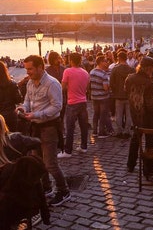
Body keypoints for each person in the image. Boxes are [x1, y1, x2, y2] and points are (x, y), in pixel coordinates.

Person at [18, 55, 70, 207]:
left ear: (40, 67)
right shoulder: (30, 83)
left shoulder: (52, 84)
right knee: (37, 161)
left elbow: (57, 106)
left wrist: (36, 114)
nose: (28, 72)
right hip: (35, 127)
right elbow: (28, 100)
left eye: (30, 69)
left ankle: (63, 190)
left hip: (49, 128)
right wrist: (23, 108)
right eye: (26, 69)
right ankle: (46, 188)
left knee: (50, 164)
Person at [125, 56, 153, 176]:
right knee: (151, 143)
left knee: (135, 140)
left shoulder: (129, 78)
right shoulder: (149, 84)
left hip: (136, 115)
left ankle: (130, 165)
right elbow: (151, 105)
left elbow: (127, 93)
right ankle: (148, 168)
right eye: (152, 69)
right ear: (147, 69)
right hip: (149, 119)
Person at [58, 52, 90, 158]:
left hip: (72, 103)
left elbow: (62, 87)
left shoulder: (67, 71)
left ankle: (68, 151)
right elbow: (86, 87)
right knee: (83, 126)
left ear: (71, 60)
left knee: (70, 128)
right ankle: (84, 147)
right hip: (83, 101)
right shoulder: (85, 73)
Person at [110, 51, 136, 139]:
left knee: (119, 115)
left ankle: (119, 130)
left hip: (118, 95)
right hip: (129, 95)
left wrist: (115, 91)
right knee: (129, 115)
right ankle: (127, 131)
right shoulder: (132, 69)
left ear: (119, 58)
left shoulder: (115, 69)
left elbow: (111, 83)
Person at [90, 55, 115, 138]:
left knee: (95, 114)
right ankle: (101, 132)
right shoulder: (103, 74)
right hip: (103, 97)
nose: (106, 63)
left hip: (94, 96)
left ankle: (94, 131)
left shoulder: (92, 72)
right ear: (101, 62)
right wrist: (109, 87)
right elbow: (105, 88)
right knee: (103, 115)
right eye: (105, 61)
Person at [0, 61, 22, 132]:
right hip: (11, 116)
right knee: (12, 138)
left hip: (0, 117)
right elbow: (18, 100)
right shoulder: (12, 83)